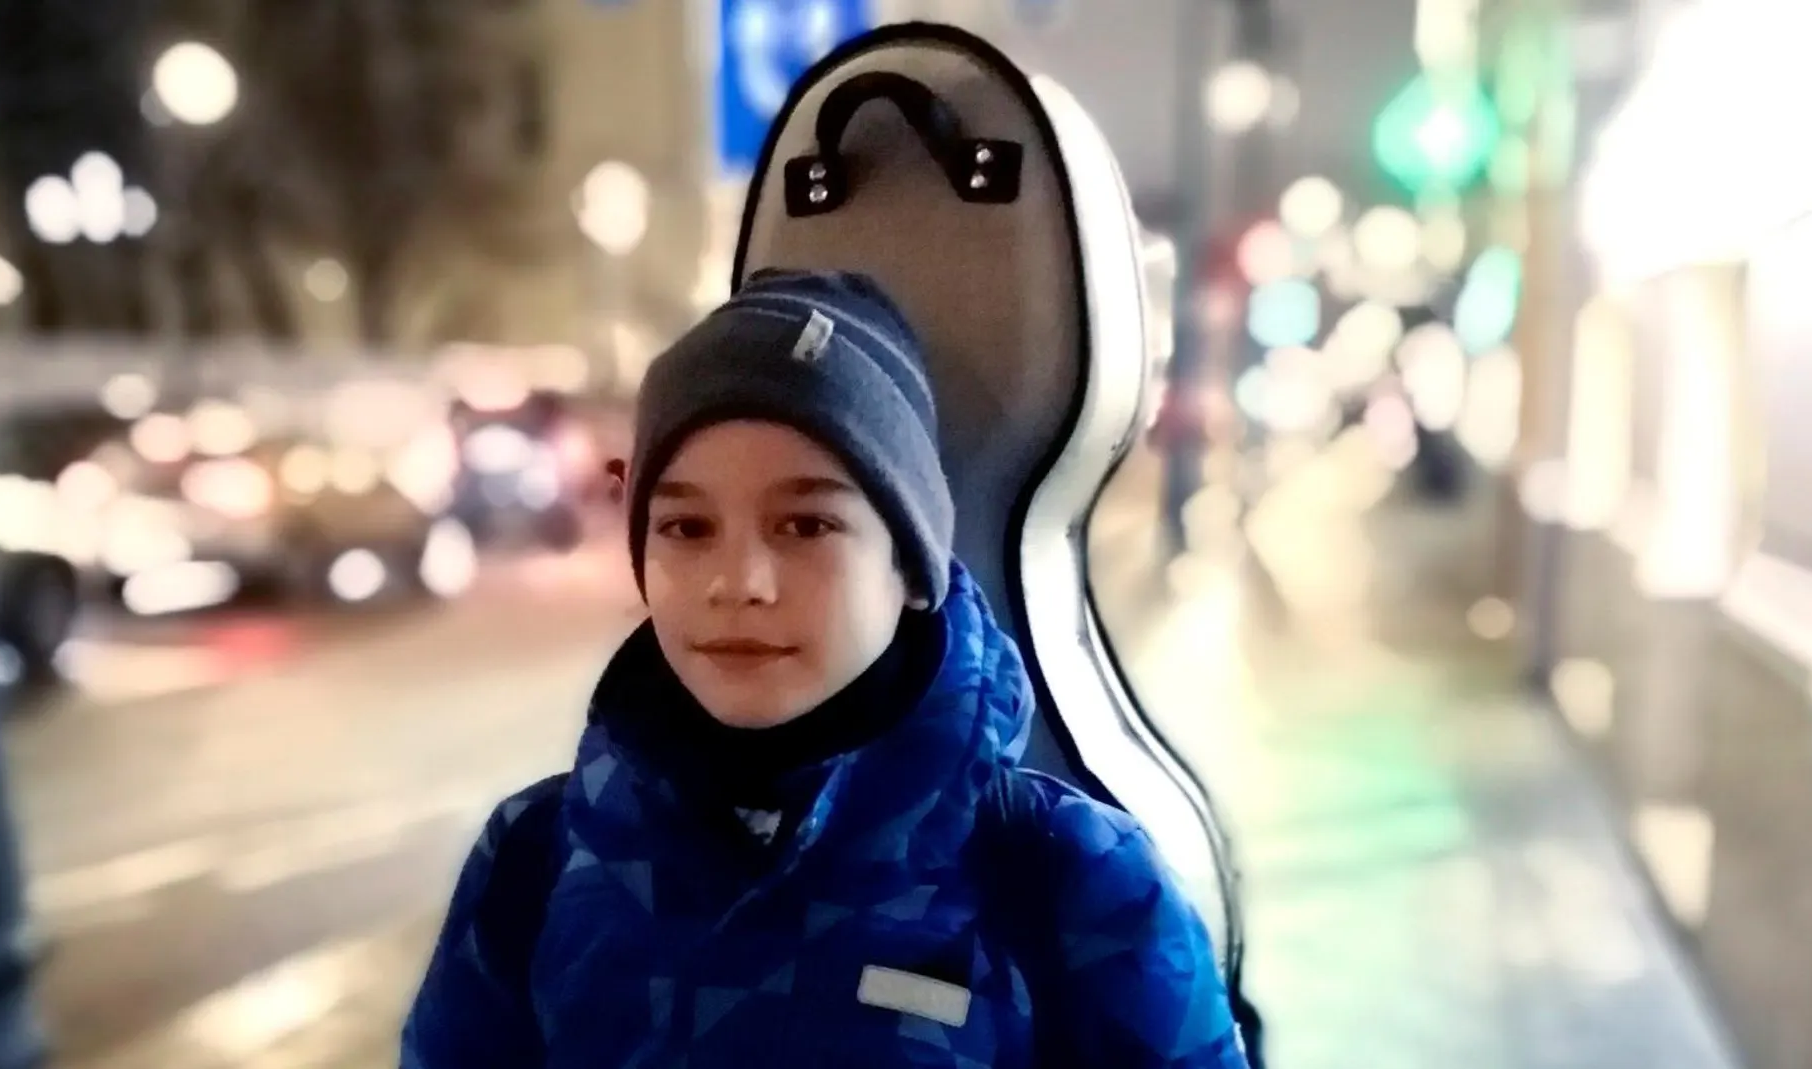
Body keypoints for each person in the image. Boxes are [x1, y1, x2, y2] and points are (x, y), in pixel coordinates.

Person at [401, 269, 1251, 1069]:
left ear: (912, 565)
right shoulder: (535, 863)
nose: (738, 583)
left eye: (805, 525)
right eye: (687, 529)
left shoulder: (1068, 881)